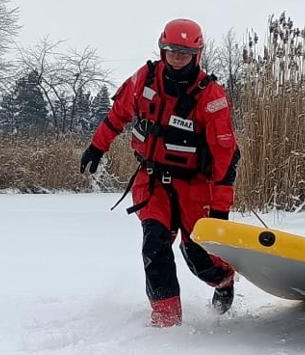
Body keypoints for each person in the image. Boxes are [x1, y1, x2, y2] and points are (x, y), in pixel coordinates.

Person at [80, 18, 240, 327]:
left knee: (197, 255)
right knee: (154, 244)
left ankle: (223, 281)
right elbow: (117, 116)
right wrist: (96, 147)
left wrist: (220, 211)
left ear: (197, 55)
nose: (177, 58)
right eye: (172, 51)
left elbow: (225, 158)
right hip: (152, 181)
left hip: (196, 187)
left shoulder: (212, 97)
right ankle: (166, 323)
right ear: (162, 50)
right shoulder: (144, 80)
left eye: (184, 53)